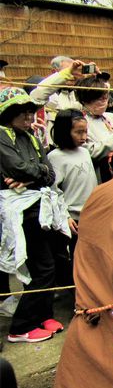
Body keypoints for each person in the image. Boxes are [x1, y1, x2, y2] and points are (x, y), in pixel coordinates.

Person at [0, 88, 66, 343]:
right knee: (42, 267)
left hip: (41, 207)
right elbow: (17, 167)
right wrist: (36, 174)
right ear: (9, 113)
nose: (29, 117)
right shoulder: (2, 136)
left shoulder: (30, 137)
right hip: (21, 210)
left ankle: (42, 315)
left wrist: (33, 176)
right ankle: (21, 326)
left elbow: (50, 173)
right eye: (23, 113)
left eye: (30, 112)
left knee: (50, 263)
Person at [48, 110, 97, 281]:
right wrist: (65, 216)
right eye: (78, 132)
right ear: (64, 132)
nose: (84, 136)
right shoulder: (55, 157)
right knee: (72, 258)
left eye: (85, 131)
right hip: (73, 219)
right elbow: (54, 191)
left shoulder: (84, 152)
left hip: (90, 213)